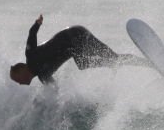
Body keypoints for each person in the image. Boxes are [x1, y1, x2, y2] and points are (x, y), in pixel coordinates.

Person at [9, 14, 147, 85]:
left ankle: (137, 63)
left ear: (21, 69)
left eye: (18, 80)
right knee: (112, 58)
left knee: (85, 63)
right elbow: (55, 93)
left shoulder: (30, 55)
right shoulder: (43, 77)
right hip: (75, 45)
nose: (20, 84)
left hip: (75, 34)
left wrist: (37, 23)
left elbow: (32, 34)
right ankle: (147, 64)